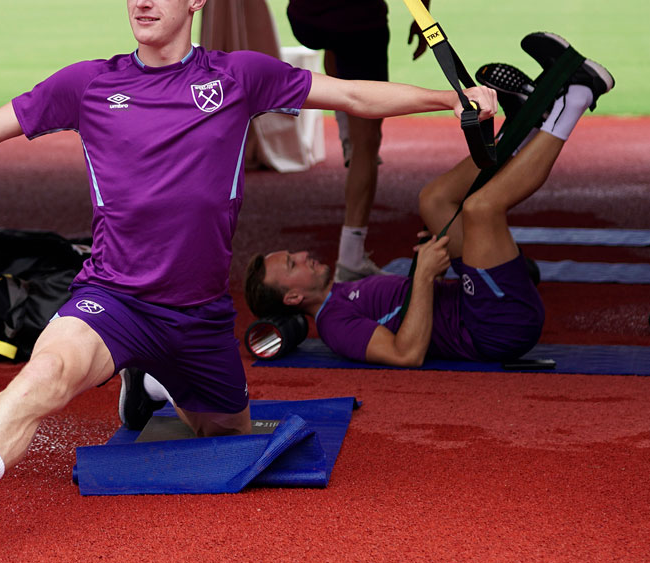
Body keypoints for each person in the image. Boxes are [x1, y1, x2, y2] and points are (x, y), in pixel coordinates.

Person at [0, 0, 496, 563]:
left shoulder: (238, 77)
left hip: (200, 315)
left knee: (229, 436)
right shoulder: (88, 85)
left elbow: (352, 94)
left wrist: (450, 98)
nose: (142, 1)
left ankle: (147, 379)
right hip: (112, 296)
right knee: (44, 376)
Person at [245, 35, 614, 367]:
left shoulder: (342, 290)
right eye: (293, 263)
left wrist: (430, 264)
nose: (304, 255)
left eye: (293, 254)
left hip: (476, 301)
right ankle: (578, 94)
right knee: (479, 210)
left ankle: (529, 124)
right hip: (497, 326)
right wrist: (422, 275)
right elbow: (405, 354)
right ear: (293, 297)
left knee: (434, 199)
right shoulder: (334, 326)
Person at [261, 0, 437, 282]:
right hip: (360, 21)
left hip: (306, 15)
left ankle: (345, 120)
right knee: (368, 143)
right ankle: (350, 258)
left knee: (336, 42)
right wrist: (424, 19)